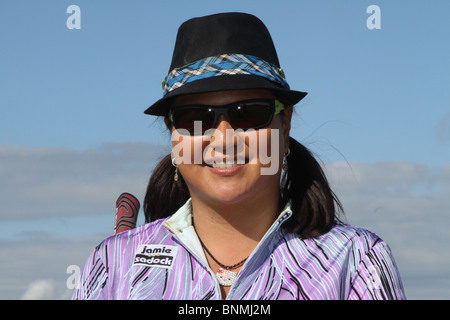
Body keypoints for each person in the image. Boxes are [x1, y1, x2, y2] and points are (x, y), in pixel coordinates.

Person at [72, 12, 406, 300]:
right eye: (195, 118)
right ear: (173, 133)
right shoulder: (112, 263)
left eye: (248, 114)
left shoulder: (357, 260)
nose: (223, 138)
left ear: (284, 123)